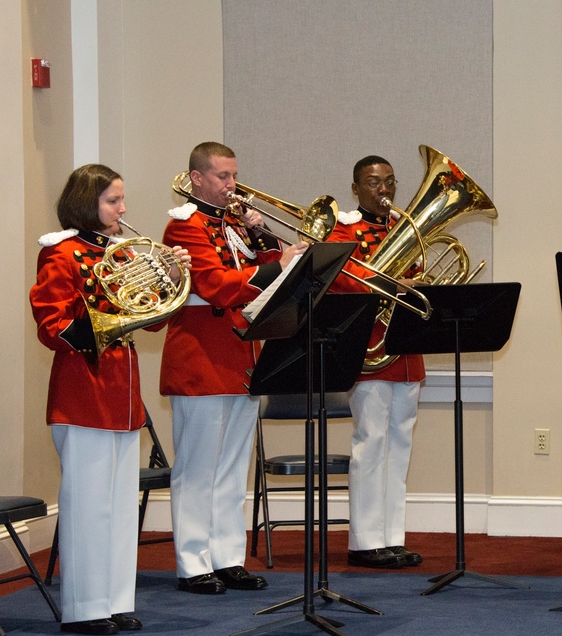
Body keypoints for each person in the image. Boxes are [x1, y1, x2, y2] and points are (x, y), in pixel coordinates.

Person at [30, 164, 189, 634]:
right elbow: (51, 323)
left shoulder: (117, 253)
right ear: (86, 204)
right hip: (82, 392)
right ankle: (84, 609)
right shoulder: (62, 254)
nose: (122, 209)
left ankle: (116, 599)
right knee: (88, 507)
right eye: (113, 201)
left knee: (119, 507)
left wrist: (169, 277)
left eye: (121, 200)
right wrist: (104, 317)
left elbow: (153, 320)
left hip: (122, 393)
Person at [160, 142, 308, 594]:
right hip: (201, 357)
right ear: (197, 178)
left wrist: (269, 246)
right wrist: (271, 268)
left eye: (234, 175)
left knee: (232, 466)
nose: (231, 185)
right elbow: (215, 286)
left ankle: (226, 556)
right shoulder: (184, 227)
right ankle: (192, 562)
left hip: (241, 355)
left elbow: (263, 280)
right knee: (198, 468)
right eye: (223, 176)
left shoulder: (231, 223)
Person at [326, 155, 425, 569]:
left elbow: (418, 274)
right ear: (355, 189)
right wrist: (389, 282)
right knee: (371, 443)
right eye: (372, 182)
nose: (382, 190)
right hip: (367, 350)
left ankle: (391, 536)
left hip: (405, 350)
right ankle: (365, 541)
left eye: (388, 181)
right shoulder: (343, 231)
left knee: (399, 444)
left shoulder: (408, 229)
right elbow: (342, 279)